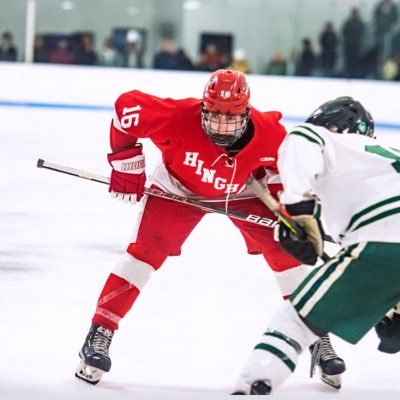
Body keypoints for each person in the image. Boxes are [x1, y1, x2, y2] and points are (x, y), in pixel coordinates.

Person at [74, 69, 344, 386]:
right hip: (177, 188)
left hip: (245, 192)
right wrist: (126, 162)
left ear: (246, 113)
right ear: (203, 107)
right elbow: (124, 110)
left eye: (231, 119)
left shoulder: (271, 134)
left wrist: (292, 215)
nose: (221, 127)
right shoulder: (174, 116)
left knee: (287, 257)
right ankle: (100, 331)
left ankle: (317, 337)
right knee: (143, 255)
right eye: (214, 116)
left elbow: (287, 175)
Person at [232, 96, 400, 395]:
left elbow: (302, 137)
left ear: (331, 129)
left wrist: (297, 208)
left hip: (381, 236)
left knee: (294, 320)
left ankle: (250, 386)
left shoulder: (328, 142)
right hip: (382, 236)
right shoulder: (385, 158)